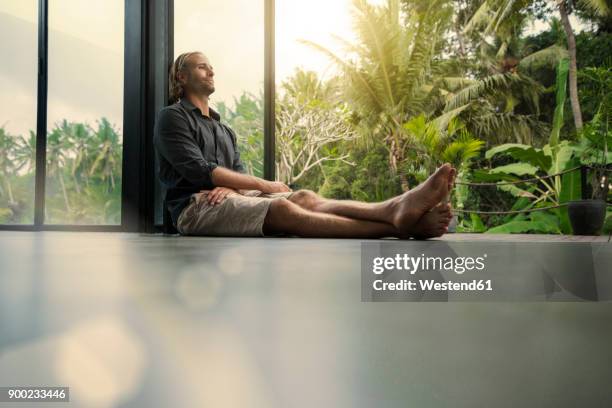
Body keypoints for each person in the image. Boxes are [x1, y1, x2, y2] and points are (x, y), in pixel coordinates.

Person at [154, 51, 456, 239]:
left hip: (226, 198)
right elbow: (199, 171)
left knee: (304, 196)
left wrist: (233, 187)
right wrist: (266, 185)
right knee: (284, 207)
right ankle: (398, 223)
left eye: (211, 67)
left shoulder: (224, 129)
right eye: (202, 67)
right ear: (182, 77)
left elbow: (235, 173)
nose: (211, 71)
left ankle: (394, 209)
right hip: (194, 209)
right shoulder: (172, 118)